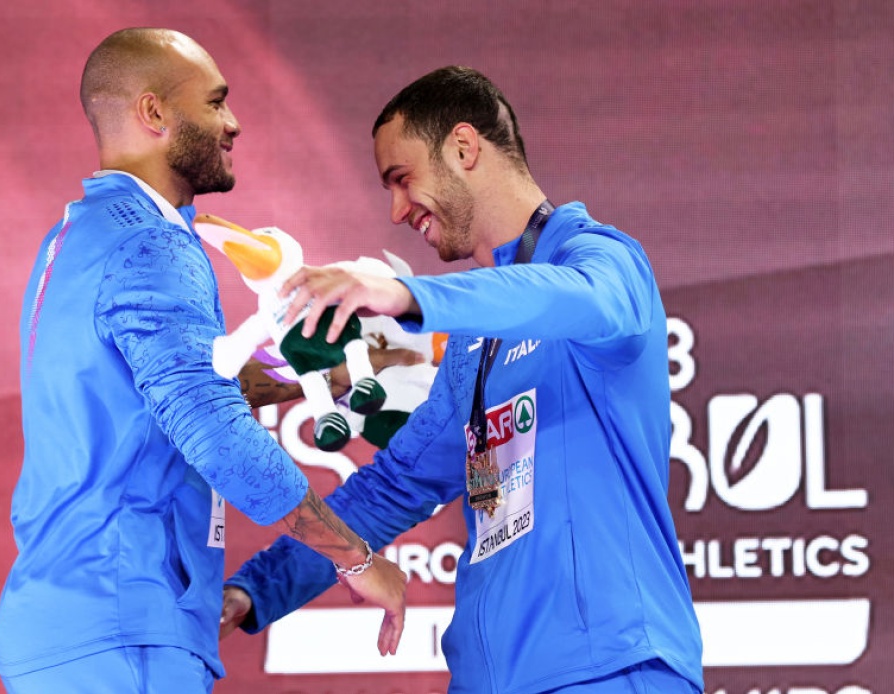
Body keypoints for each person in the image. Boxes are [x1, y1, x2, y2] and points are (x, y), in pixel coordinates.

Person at [221, 66, 704, 693]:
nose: (397, 211)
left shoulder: (603, 260)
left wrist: (406, 295)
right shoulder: (473, 342)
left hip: (609, 669)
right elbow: (392, 488)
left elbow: (581, 297)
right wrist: (252, 591)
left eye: (402, 179)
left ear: (464, 147)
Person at [0, 28, 408, 694]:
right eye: (215, 102)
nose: (232, 122)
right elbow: (213, 430)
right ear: (153, 113)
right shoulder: (150, 243)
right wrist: (356, 560)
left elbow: (169, 396)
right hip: (123, 624)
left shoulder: (82, 236)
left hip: (81, 624)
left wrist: (325, 374)